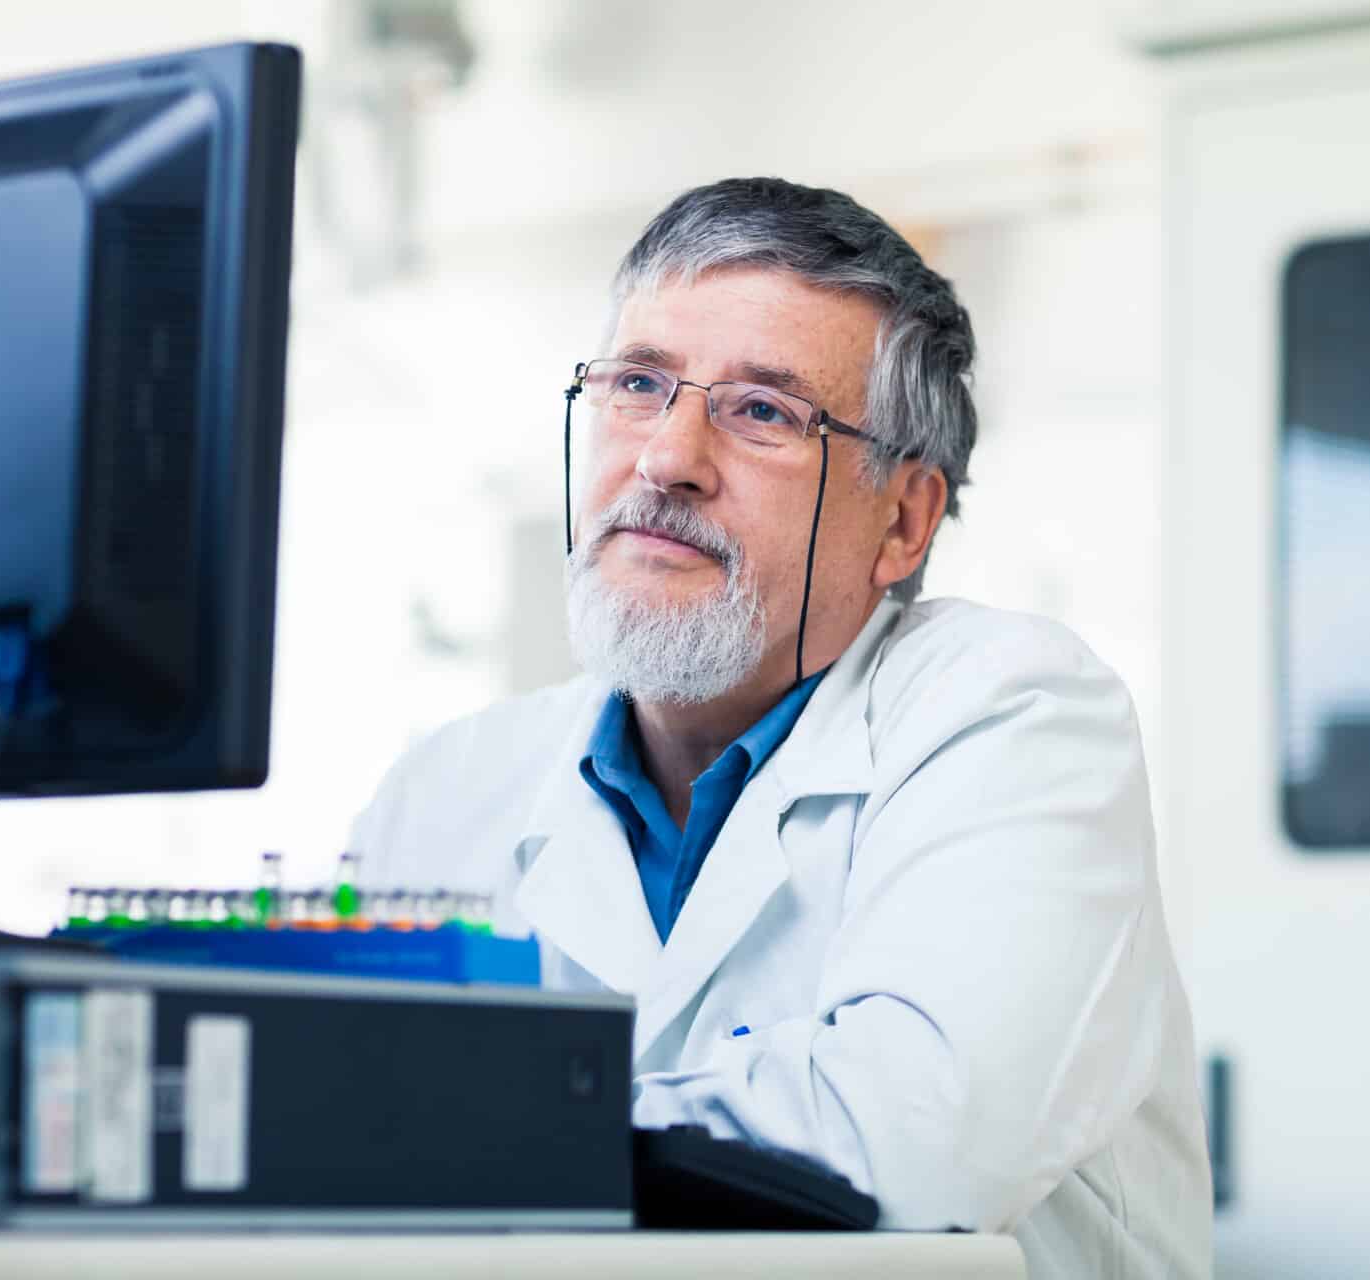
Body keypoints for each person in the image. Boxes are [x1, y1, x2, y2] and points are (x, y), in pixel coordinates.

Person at [349, 177, 1211, 1277]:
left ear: (902, 520)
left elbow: (910, 1146)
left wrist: (445, 1123)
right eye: (638, 383)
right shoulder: (445, 786)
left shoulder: (1015, 712)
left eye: (764, 411)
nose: (667, 456)